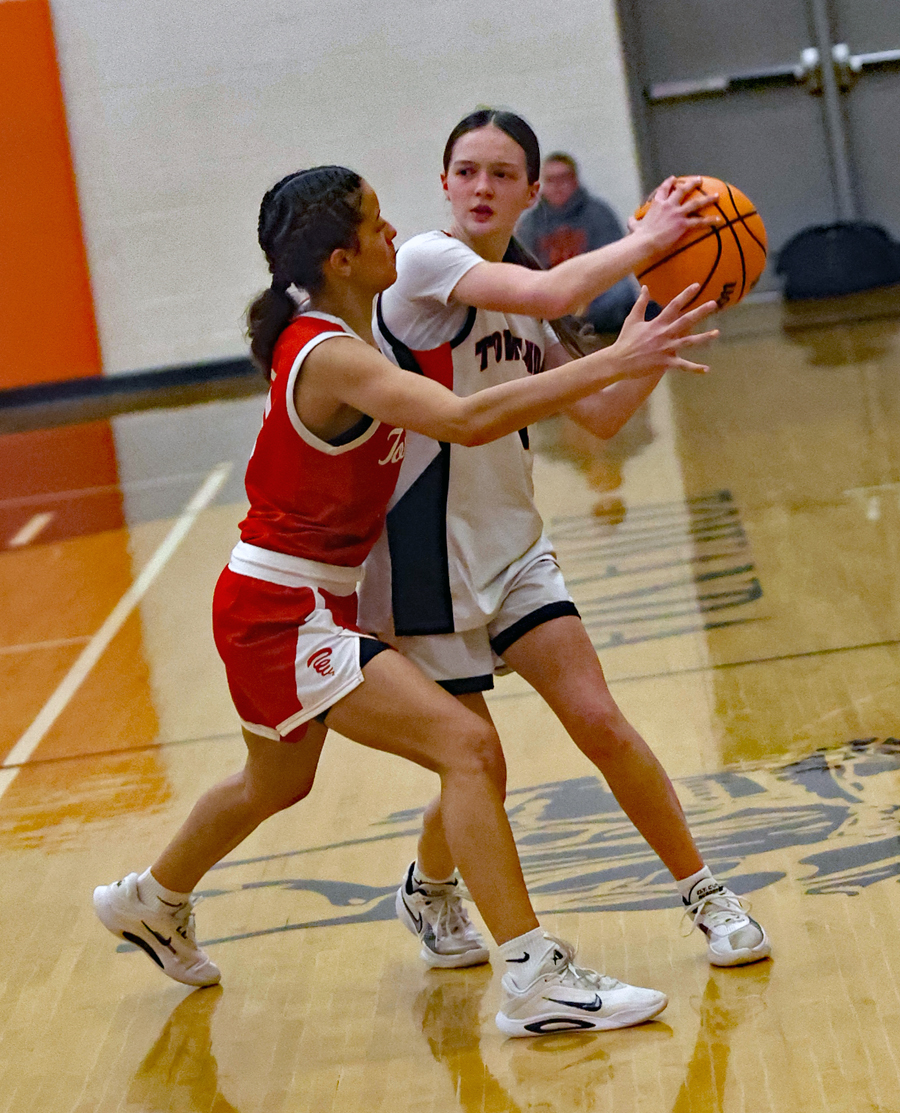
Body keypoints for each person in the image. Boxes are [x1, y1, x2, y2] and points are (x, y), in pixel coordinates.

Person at [92, 165, 721, 1038]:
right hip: (283, 611)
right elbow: (463, 419)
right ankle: (534, 977)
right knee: (469, 747)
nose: (396, 234)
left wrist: (606, 373)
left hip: (287, 600)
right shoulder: (334, 354)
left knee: (277, 780)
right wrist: (611, 359)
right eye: (378, 225)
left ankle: (151, 898)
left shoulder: (349, 337)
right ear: (343, 259)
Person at [360, 108, 772, 974]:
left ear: (527, 193)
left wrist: (656, 332)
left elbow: (600, 414)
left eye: (501, 174)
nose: (481, 187)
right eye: (467, 170)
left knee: (601, 721)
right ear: (444, 183)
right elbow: (554, 295)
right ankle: (431, 887)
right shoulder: (428, 263)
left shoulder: (527, 299)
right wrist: (650, 240)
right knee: (479, 763)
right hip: (424, 562)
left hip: (513, 547)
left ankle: (706, 892)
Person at [516, 151, 640, 333]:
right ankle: (572, 323)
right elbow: (524, 271)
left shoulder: (599, 213)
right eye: (550, 180)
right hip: (550, 295)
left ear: (575, 181)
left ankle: (571, 324)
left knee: (623, 291)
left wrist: (582, 297)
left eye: (563, 179)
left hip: (593, 294)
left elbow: (616, 264)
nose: (557, 186)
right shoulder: (530, 223)